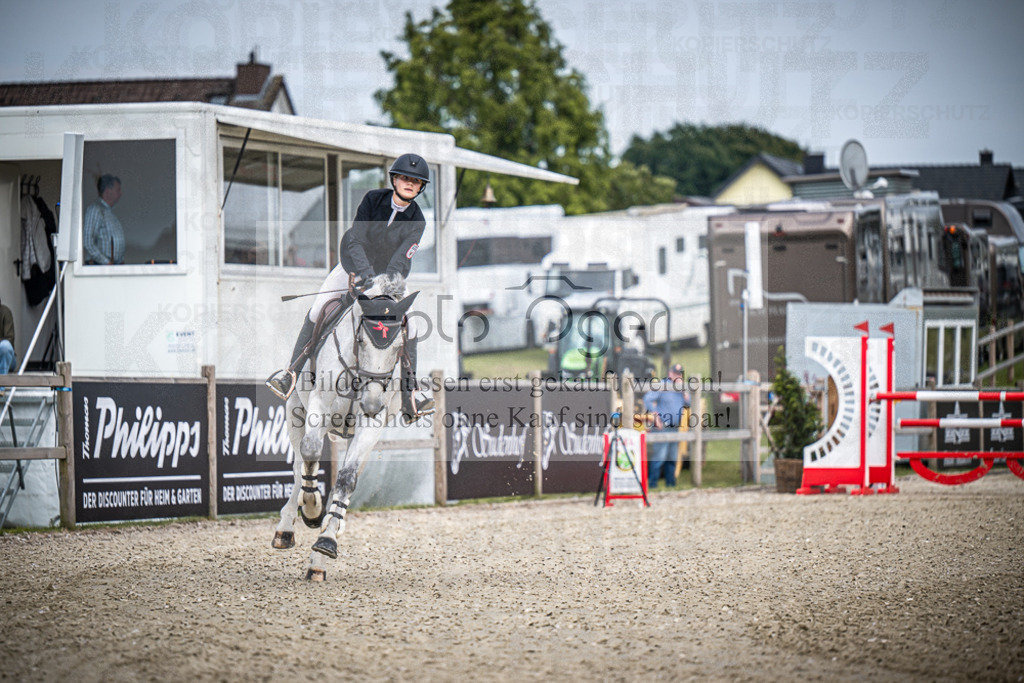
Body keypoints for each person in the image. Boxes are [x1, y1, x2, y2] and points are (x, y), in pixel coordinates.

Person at [266, 153, 434, 423]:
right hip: (352, 266)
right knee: (318, 310)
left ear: (420, 187)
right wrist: (364, 274)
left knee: (411, 326)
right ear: (394, 179)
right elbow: (356, 238)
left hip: (390, 277)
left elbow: (402, 257)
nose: (409, 183)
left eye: (416, 181)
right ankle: (291, 373)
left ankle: (410, 395)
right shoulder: (372, 199)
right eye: (405, 178)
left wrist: (380, 283)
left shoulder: (418, 221)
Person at [643, 363, 689, 489]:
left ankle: (671, 484)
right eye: (675, 373)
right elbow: (647, 399)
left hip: (675, 427)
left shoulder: (681, 388)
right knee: (659, 457)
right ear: (670, 373)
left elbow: (689, 402)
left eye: (679, 374)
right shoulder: (662, 385)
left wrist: (684, 391)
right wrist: (655, 416)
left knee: (672, 457)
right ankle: (653, 484)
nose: (677, 376)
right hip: (662, 427)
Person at [83, 174, 126, 265]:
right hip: (99, 266)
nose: (121, 193)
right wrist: (106, 262)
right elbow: (88, 242)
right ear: (107, 192)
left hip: (110, 266)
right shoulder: (95, 210)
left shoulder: (108, 212)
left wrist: (119, 260)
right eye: (118, 190)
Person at [0, 297, 14, 378]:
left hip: (5, 357)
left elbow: (9, 338)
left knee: (5, 346)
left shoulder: (5, 312)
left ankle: (2, 383)